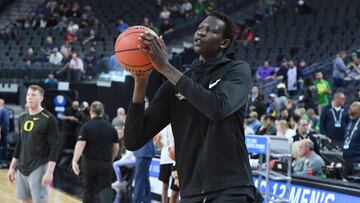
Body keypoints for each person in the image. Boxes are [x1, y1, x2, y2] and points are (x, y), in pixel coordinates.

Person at [125, 11, 260, 202]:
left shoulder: (236, 70)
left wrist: (165, 68)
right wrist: (140, 82)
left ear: (224, 43)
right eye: (200, 28)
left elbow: (217, 108)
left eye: (211, 30)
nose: (202, 32)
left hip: (231, 189)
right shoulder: (173, 86)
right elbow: (133, 140)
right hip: (190, 194)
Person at [7, 85, 60, 203]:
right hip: (22, 168)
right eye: (28, 95)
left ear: (41, 98)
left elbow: (54, 147)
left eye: (34, 95)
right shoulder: (22, 117)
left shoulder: (49, 119)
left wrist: (50, 172)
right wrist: (12, 167)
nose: (30, 97)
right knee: (25, 201)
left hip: (39, 167)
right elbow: (19, 144)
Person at [72, 101, 119, 203]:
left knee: (88, 191)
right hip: (105, 163)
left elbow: (80, 144)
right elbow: (116, 147)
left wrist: (74, 161)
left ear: (90, 112)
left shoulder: (86, 126)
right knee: (106, 190)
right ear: (103, 111)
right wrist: (111, 159)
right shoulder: (111, 128)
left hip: (89, 164)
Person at [133, 98, 155, 203]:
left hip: (143, 152)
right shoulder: (145, 115)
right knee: (144, 179)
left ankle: (137, 201)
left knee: (139, 180)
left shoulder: (146, 115)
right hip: (145, 152)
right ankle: (147, 201)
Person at [158, 124, 177, 203]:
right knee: (165, 185)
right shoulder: (162, 126)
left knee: (175, 187)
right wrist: (158, 140)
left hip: (175, 158)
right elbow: (161, 146)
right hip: (164, 158)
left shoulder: (177, 123)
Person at [343, 101, 360, 177]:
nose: (350, 107)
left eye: (354, 106)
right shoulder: (350, 121)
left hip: (357, 160)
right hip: (347, 159)